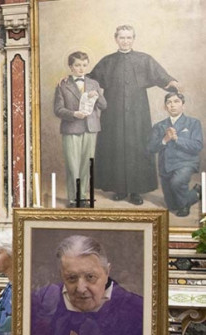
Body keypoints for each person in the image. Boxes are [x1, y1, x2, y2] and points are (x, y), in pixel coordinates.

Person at [89, 25, 180, 205]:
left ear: (133, 39)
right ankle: (119, 188)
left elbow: (162, 77)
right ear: (116, 39)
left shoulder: (144, 59)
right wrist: (71, 80)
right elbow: (90, 80)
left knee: (138, 146)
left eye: (129, 37)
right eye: (122, 37)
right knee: (115, 146)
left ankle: (136, 190)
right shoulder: (107, 61)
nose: (125, 41)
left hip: (138, 113)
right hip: (113, 113)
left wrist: (172, 82)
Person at [30, 235, 143, 335]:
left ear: (107, 272)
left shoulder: (138, 312)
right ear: (61, 275)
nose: (81, 288)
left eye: (90, 277)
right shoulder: (40, 302)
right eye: (71, 278)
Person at [54, 51, 107, 207]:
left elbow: (104, 105)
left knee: (86, 165)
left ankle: (82, 197)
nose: (81, 68)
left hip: (91, 128)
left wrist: (97, 95)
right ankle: (73, 199)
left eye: (84, 65)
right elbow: (58, 110)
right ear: (71, 67)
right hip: (71, 128)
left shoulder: (94, 84)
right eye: (77, 65)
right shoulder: (63, 85)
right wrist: (73, 114)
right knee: (73, 165)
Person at [147, 92, 203, 218]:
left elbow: (198, 146)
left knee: (176, 183)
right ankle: (197, 192)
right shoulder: (159, 126)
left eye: (176, 101)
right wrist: (165, 139)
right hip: (166, 166)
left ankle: (184, 205)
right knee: (172, 205)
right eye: (169, 102)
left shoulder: (193, 123)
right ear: (165, 107)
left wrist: (177, 139)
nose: (172, 105)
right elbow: (150, 148)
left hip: (186, 163)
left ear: (183, 105)